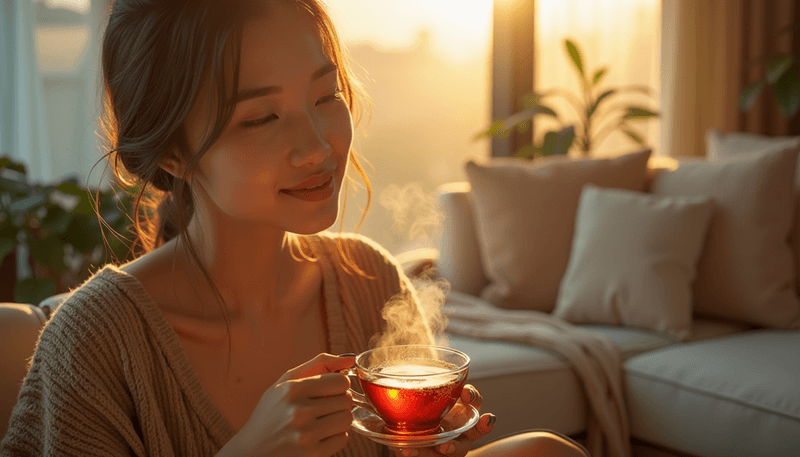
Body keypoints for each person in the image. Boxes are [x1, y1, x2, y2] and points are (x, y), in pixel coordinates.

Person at [1, 1, 590, 456]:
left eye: (326, 95)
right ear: (174, 152)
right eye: (261, 118)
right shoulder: (95, 343)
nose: (317, 146)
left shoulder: (369, 280)